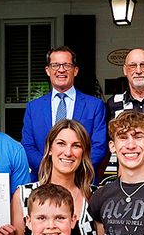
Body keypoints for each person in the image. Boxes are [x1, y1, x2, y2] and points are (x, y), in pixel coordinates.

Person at [6, 118, 98, 235]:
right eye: (61, 144)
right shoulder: (24, 195)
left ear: (83, 153)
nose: (68, 152)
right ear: (49, 149)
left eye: (76, 146)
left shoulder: (95, 196)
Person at [22, 47, 108, 182]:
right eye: (55, 65)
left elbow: (99, 146)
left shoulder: (95, 106)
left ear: (75, 70)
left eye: (66, 65)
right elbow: (28, 146)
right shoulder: (33, 108)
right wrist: (51, 170)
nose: (61, 70)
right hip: (42, 180)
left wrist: (73, 170)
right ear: (48, 70)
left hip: (82, 181)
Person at [99, 48, 144, 183]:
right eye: (132, 66)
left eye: (143, 65)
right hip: (127, 179)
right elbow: (108, 146)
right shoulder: (113, 104)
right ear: (125, 70)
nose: (138, 70)